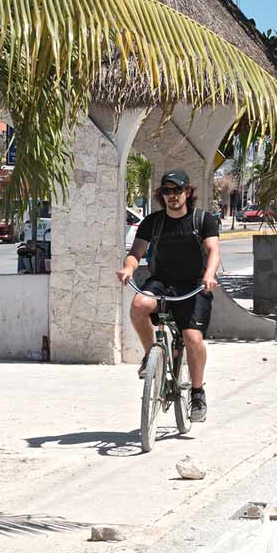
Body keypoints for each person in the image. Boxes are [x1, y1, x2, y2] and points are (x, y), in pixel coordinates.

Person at [117, 169, 220, 423]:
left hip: (195, 286)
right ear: (161, 195)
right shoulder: (153, 222)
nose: (172, 196)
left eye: (177, 190)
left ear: (188, 192)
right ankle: (150, 355)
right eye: (167, 191)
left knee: (192, 336)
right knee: (139, 304)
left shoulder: (202, 220)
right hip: (162, 283)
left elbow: (213, 250)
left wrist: (209, 275)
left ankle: (197, 393)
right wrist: (129, 267)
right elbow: (137, 251)